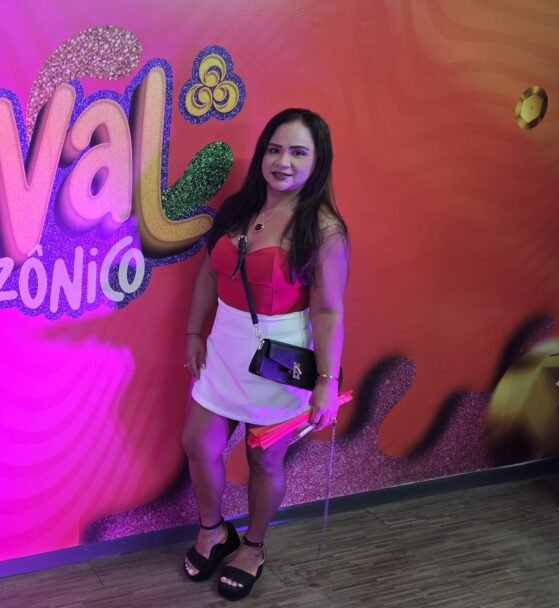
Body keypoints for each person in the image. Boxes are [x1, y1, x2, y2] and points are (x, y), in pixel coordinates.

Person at [179, 108, 349, 600]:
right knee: (199, 443)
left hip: (280, 360)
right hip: (224, 347)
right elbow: (209, 273)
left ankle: (252, 546)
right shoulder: (239, 207)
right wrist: (193, 333)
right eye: (274, 149)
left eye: (297, 152)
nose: (282, 162)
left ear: (317, 161)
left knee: (265, 462)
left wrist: (327, 382)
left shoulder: (324, 229)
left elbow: (329, 311)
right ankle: (213, 531)